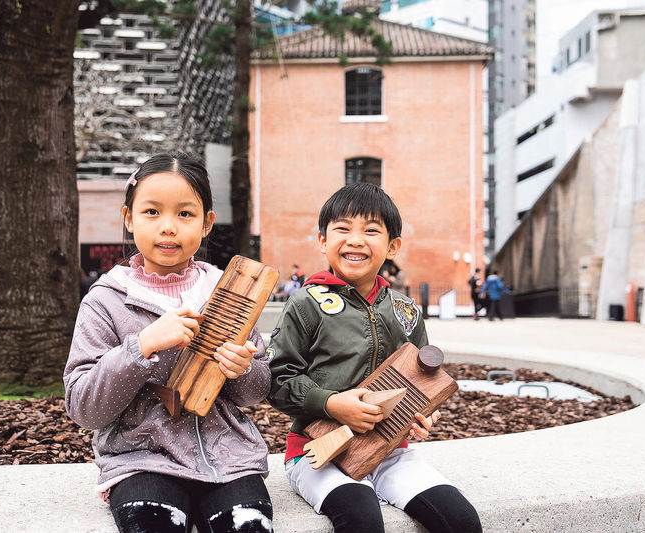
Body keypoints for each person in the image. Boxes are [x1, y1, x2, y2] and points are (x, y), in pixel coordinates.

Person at [64, 153, 273, 533]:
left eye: (185, 214)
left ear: (207, 223)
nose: (168, 227)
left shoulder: (229, 292)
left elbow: (256, 391)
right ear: (129, 218)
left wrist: (242, 369)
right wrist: (140, 346)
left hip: (229, 460)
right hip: (141, 460)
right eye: (151, 212)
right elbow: (83, 408)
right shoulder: (106, 300)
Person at [266, 183, 481, 533]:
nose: (355, 240)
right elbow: (277, 380)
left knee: (460, 520)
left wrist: (422, 415)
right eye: (342, 228)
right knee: (360, 517)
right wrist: (331, 403)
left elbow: (423, 383)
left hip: (389, 450)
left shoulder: (405, 311)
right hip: (317, 451)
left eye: (370, 230)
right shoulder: (306, 303)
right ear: (322, 241)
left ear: (392, 246)